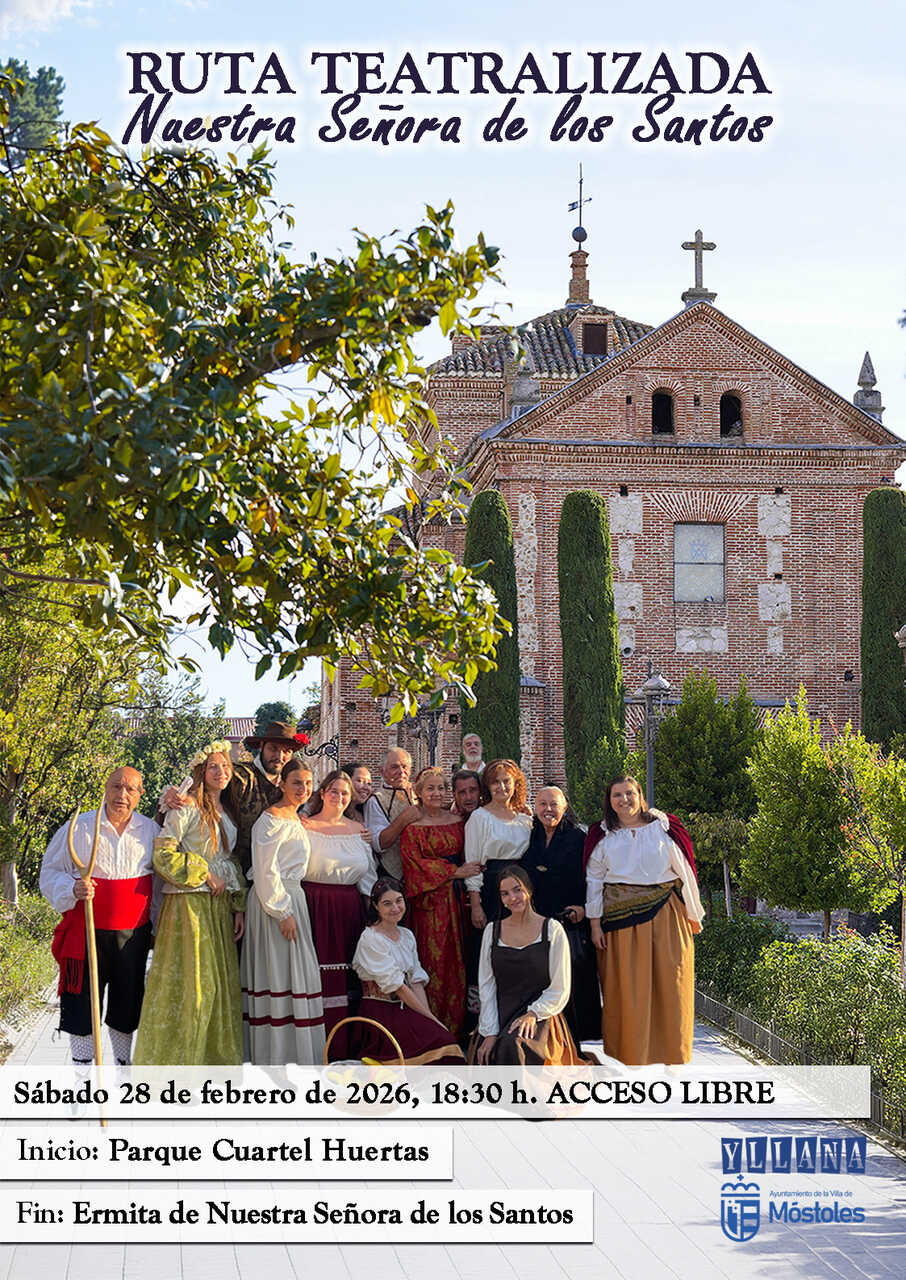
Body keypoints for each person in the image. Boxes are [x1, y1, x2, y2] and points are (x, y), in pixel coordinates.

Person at [134, 743, 246, 1065]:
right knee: (193, 985)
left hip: (218, 906)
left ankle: (213, 1063)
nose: (221, 772)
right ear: (200, 771)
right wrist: (203, 874)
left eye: (225, 766)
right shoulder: (185, 807)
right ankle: (180, 1065)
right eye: (213, 766)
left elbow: (230, 861)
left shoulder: (227, 811)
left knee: (217, 987)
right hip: (188, 906)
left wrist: (237, 905)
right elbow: (163, 854)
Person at [40, 766, 159, 1069]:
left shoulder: (150, 831)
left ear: (140, 794)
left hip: (132, 936)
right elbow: (49, 873)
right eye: (116, 787)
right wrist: (72, 887)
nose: (122, 794)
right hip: (86, 932)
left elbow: (160, 885)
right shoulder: (79, 827)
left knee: (126, 1003)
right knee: (82, 1004)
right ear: (106, 788)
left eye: (130, 789)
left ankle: (122, 1072)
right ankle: (82, 1081)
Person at [585, 774, 704, 1066]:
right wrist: (595, 924)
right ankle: (629, 1056)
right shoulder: (602, 835)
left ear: (640, 795)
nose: (624, 800)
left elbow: (684, 871)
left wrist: (693, 912)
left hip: (667, 913)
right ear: (609, 801)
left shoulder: (663, 828)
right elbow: (593, 881)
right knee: (627, 989)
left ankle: (673, 1056)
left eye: (629, 793)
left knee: (672, 984)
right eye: (617, 795)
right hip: (619, 920)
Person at [241, 758, 325, 1065]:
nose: (303, 789)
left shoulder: (294, 817)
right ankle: (274, 1056)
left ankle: (295, 1054)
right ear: (281, 784)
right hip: (274, 902)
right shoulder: (271, 819)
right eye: (296, 783)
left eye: (307, 783)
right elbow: (266, 870)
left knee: (296, 975)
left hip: (293, 898)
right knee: (278, 973)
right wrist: (281, 911)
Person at [160, 720, 307, 878]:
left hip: (279, 874)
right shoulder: (241, 775)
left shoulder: (294, 787)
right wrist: (174, 792)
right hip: (236, 874)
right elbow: (207, 782)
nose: (279, 756)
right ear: (262, 746)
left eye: (286, 751)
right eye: (273, 748)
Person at [399, 766, 479, 1036]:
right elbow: (413, 866)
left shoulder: (458, 822)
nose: (436, 793)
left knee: (459, 964)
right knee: (432, 963)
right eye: (430, 788)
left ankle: (458, 1030)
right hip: (428, 906)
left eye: (441, 788)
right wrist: (455, 872)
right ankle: (431, 1030)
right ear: (419, 793)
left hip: (459, 903)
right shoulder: (412, 829)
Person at [351, 878, 465, 1065]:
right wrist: (432, 1021)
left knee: (443, 1041)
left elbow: (416, 981)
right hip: (380, 1012)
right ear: (376, 906)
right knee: (439, 1042)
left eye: (399, 901)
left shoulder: (406, 935)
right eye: (387, 903)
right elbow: (398, 987)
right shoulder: (370, 939)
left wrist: (428, 1019)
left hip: (405, 1008)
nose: (395, 908)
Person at [475, 866, 580, 1066]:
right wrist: (489, 1032)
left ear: (529, 890)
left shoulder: (552, 929)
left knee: (514, 1045)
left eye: (517, 890)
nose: (512, 898)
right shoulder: (492, 931)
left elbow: (560, 987)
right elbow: (487, 985)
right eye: (505, 894)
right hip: (501, 1013)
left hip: (542, 1015)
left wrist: (533, 1014)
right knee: (489, 1053)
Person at [521, 786, 601, 1046]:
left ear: (565, 807)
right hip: (537, 921)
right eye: (542, 804)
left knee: (573, 986)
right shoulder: (529, 835)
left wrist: (584, 908)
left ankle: (574, 1049)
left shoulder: (579, 837)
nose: (548, 810)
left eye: (554, 804)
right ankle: (547, 1046)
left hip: (571, 920)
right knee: (541, 984)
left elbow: (595, 879)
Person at [302, 769, 376, 1041]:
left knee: (350, 974)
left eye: (345, 793)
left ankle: (348, 1040)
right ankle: (317, 1040)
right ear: (322, 793)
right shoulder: (305, 826)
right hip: (314, 906)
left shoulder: (359, 831)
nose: (339, 797)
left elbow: (368, 877)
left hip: (350, 908)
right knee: (318, 972)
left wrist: (372, 913)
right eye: (334, 791)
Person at [464, 759, 533, 926]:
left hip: (523, 887)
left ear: (515, 783)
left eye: (506, 781)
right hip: (493, 889)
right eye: (495, 782)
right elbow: (473, 865)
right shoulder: (479, 818)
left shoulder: (525, 820)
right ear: (487, 786)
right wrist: (476, 906)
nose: (501, 787)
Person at [363, 747, 416, 880]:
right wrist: (404, 818)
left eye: (405, 767)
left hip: (421, 872)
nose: (401, 772)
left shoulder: (420, 792)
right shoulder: (376, 800)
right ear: (382, 771)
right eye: (394, 767)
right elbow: (379, 844)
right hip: (392, 875)